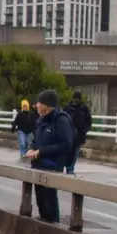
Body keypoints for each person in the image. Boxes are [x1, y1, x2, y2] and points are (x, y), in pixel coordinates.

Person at [25, 89, 74, 223]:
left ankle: (53, 229)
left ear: (47, 105)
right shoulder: (41, 119)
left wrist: (41, 151)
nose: (36, 106)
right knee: (41, 201)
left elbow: (66, 144)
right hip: (38, 165)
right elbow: (36, 140)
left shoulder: (61, 120)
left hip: (52, 167)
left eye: (39, 103)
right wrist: (31, 148)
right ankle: (43, 229)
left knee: (50, 202)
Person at [64, 91, 92, 174]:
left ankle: (70, 170)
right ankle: (67, 168)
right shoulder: (67, 108)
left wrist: (84, 131)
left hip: (79, 136)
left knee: (75, 155)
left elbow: (89, 122)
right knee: (67, 154)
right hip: (68, 136)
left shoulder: (84, 109)